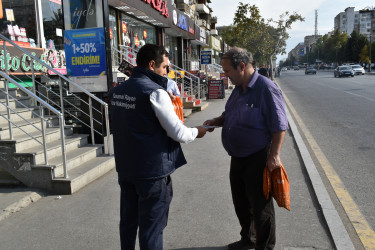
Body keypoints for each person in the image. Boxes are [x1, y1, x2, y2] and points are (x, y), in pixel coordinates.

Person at [109, 44, 207, 250]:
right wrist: (198, 130)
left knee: (128, 223)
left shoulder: (118, 91)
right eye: (165, 67)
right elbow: (178, 133)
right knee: (151, 229)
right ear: (152, 65)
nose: (167, 72)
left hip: (126, 169)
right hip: (152, 173)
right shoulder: (155, 92)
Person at [204, 47, 288, 250]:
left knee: (261, 207)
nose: (225, 75)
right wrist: (216, 121)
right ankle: (248, 239)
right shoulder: (238, 89)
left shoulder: (266, 89)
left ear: (242, 66)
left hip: (259, 156)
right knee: (241, 203)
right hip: (238, 157)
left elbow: (279, 126)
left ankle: (265, 246)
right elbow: (229, 114)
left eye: (227, 71)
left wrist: (274, 156)